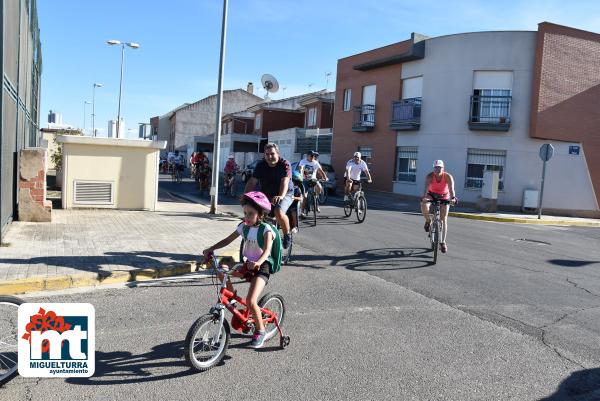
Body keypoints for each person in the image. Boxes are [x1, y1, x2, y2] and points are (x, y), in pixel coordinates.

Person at [202, 191, 276, 349]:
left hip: (262, 266)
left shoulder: (266, 229)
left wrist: (258, 262)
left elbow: (267, 250)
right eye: (245, 213)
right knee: (222, 269)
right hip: (247, 263)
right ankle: (232, 299)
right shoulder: (244, 227)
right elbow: (227, 240)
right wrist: (211, 249)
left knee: (251, 301)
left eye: (251, 214)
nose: (247, 217)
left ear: (260, 214)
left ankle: (261, 331)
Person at [244, 143, 294, 249]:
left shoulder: (284, 164)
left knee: (278, 212)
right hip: (267, 194)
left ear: (278, 154)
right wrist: (246, 197)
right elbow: (252, 182)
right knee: (257, 213)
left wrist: (280, 196)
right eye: (267, 154)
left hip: (286, 193)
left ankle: (287, 235)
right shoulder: (261, 165)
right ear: (264, 155)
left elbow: (284, 182)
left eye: (272, 153)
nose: (270, 156)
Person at [420, 160, 457, 254]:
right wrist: (424, 197)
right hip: (431, 194)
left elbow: (451, 189)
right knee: (424, 204)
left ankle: (443, 242)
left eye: (439, 167)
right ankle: (428, 221)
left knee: (443, 219)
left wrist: (453, 198)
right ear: (433, 168)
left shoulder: (448, 176)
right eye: (436, 167)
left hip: (444, 196)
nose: (438, 169)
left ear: (443, 168)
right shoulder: (429, 176)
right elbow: (426, 188)